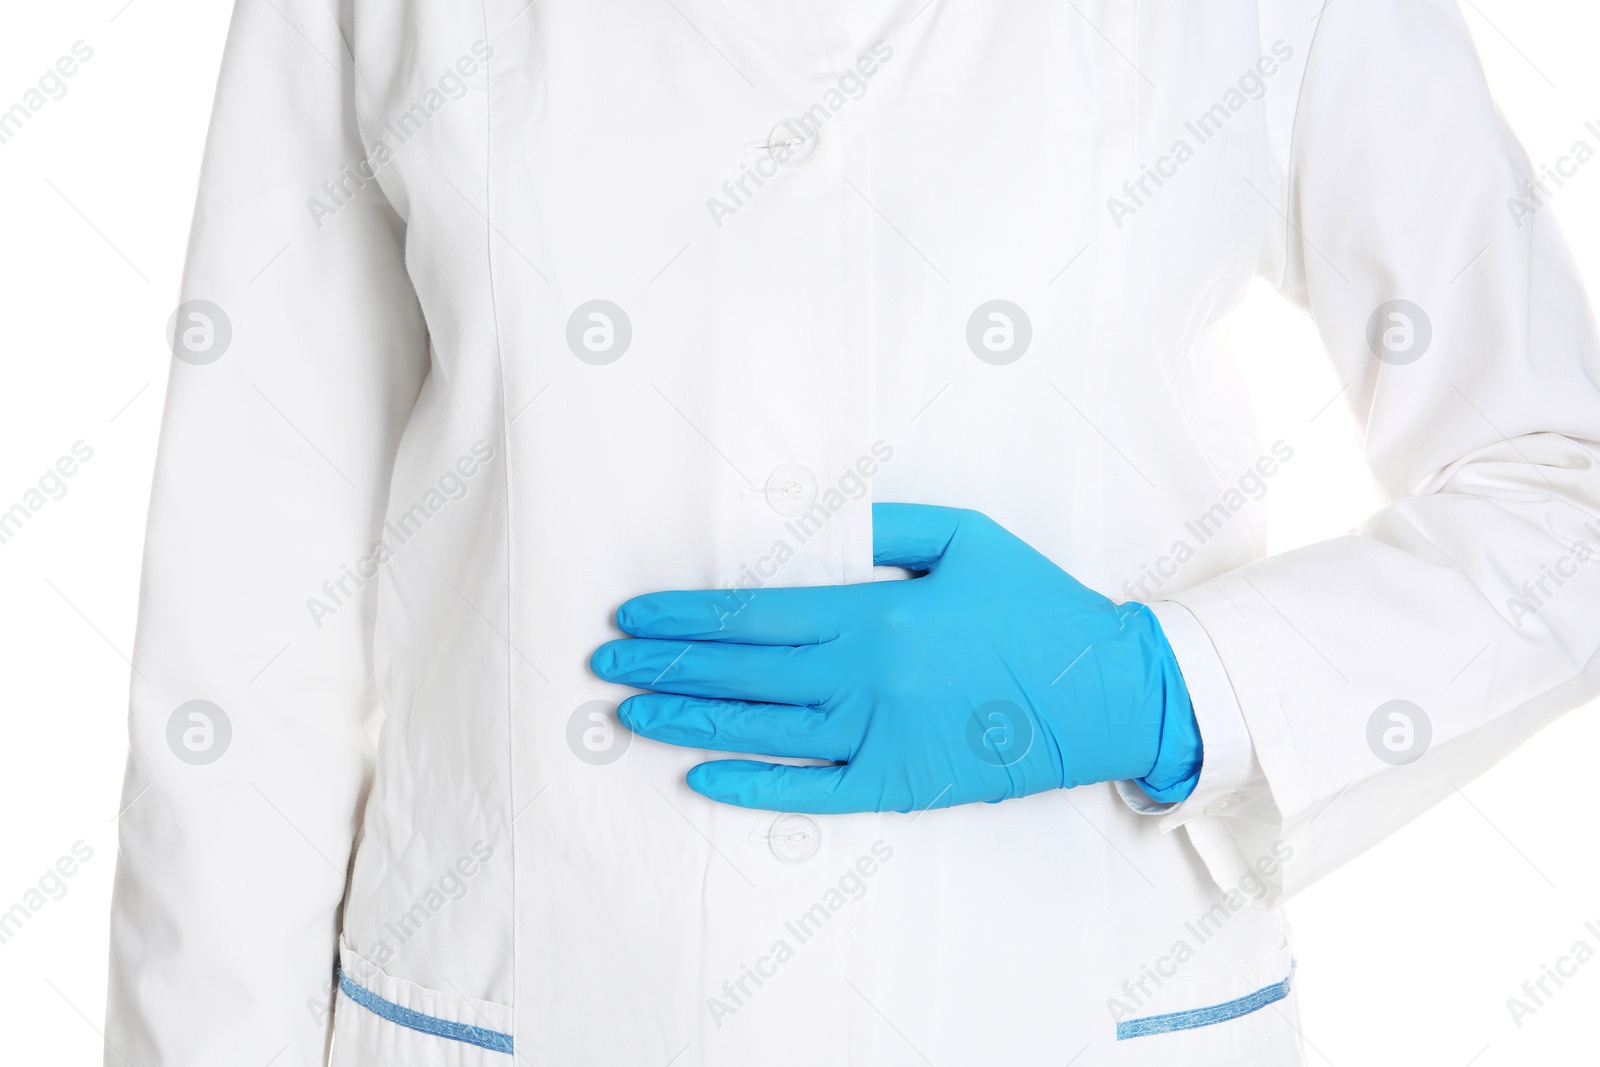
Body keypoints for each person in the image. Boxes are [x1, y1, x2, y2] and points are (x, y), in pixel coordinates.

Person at [106, 0, 1600, 1063]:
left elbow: (1565, 493)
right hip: (534, 1009)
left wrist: (1167, 687)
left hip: (1066, 1006)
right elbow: (250, 617)